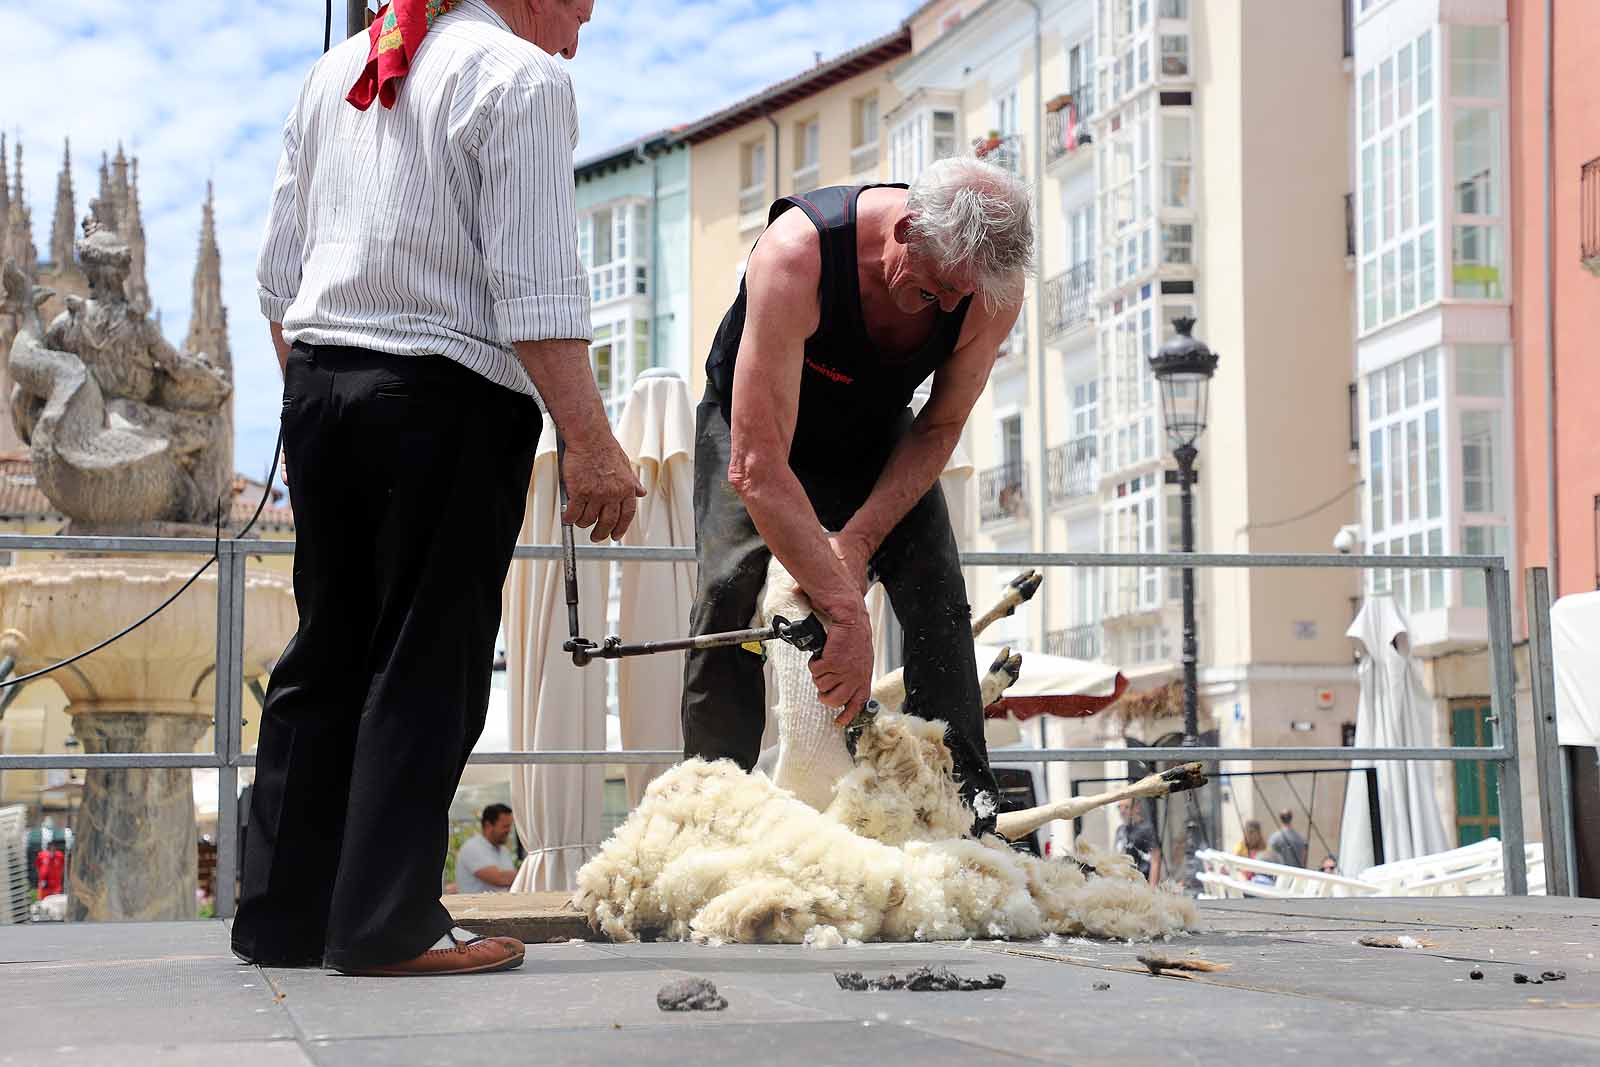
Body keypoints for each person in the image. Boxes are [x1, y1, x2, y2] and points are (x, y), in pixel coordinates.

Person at [232, 0, 641, 979]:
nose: (574, 39)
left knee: (326, 649)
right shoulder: (523, 79)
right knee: (429, 658)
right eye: (577, 13)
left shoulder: (333, 73)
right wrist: (592, 443)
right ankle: (384, 922)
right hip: (445, 394)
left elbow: (274, 277)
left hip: (324, 383)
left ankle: (282, 916)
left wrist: (315, 398)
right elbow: (537, 288)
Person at [682, 157, 1033, 833]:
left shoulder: (988, 291)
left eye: (964, 295)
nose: (950, 307)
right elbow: (757, 465)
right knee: (730, 590)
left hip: (874, 428)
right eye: (935, 291)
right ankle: (708, 813)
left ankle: (963, 814)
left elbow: (942, 422)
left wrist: (861, 540)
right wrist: (846, 611)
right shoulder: (797, 254)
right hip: (759, 429)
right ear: (905, 229)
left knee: (937, 588)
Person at [456, 805, 519, 893]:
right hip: (476, 906)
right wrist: (527, 874)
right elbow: (499, 878)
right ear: (488, 825)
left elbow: (511, 880)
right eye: (505, 826)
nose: (509, 830)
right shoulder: (473, 847)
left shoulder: (503, 850)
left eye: (510, 826)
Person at [1115, 798, 1163, 886]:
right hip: (1125, 884)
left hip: (1142, 882)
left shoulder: (1146, 829)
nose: (1122, 811)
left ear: (1137, 807)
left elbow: (1155, 859)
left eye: (1126, 807)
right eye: (1119, 807)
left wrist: (1152, 888)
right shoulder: (1120, 830)